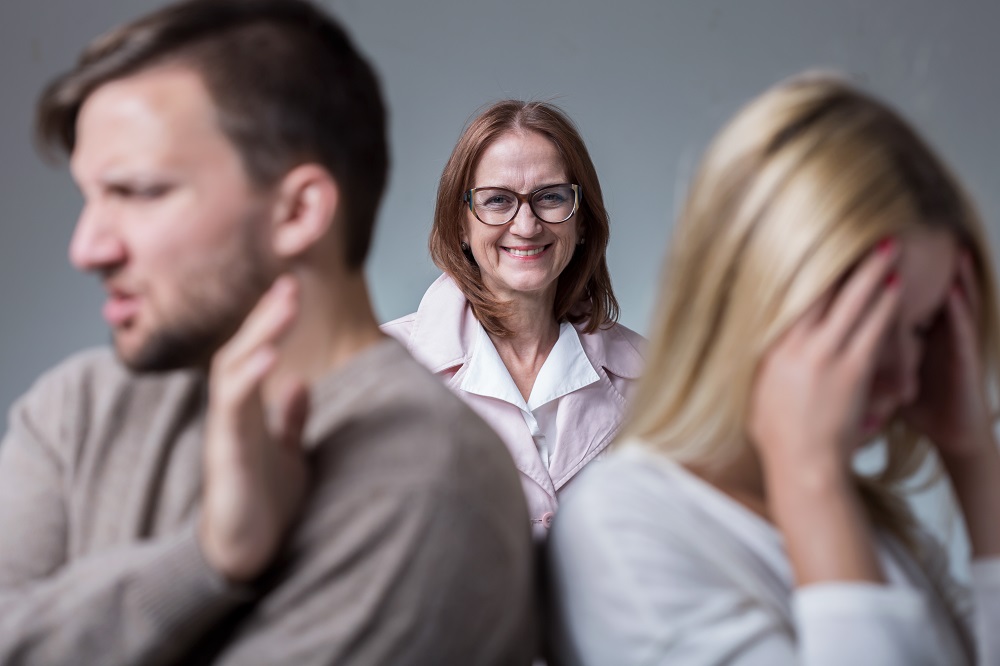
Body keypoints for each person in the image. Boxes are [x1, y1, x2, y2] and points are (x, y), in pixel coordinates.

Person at [0, 1, 535, 664]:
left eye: (137, 192)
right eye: (90, 197)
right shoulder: (76, 409)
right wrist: (205, 562)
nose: (88, 247)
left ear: (299, 210)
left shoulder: (433, 485)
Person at [548, 73, 1000, 665]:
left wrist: (975, 460)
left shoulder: (878, 527)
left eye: (917, 331)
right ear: (753, 296)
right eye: (862, 324)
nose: (905, 381)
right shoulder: (621, 526)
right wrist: (812, 478)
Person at [383, 101, 644, 539]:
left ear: (581, 221)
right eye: (498, 200)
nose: (526, 225)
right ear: (461, 225)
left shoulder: (652, 378)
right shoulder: (384, 371)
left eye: (551, 197)